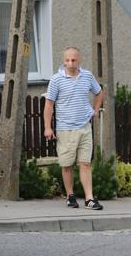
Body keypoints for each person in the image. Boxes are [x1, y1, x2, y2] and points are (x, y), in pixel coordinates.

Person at [43, 47, 105, 210]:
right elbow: (49, 104)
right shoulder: (56, 80)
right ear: (64, 61)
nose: (70, 63)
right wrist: (47, 127)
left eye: (74, 60)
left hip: (85, 126)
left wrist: (95, 110)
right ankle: (70, 195)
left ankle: (89, 199)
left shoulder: (87, 76)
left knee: (85, 163)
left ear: (79, 60)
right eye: (67, 60)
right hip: (65, 128)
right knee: (67, 164)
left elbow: (99, 92)